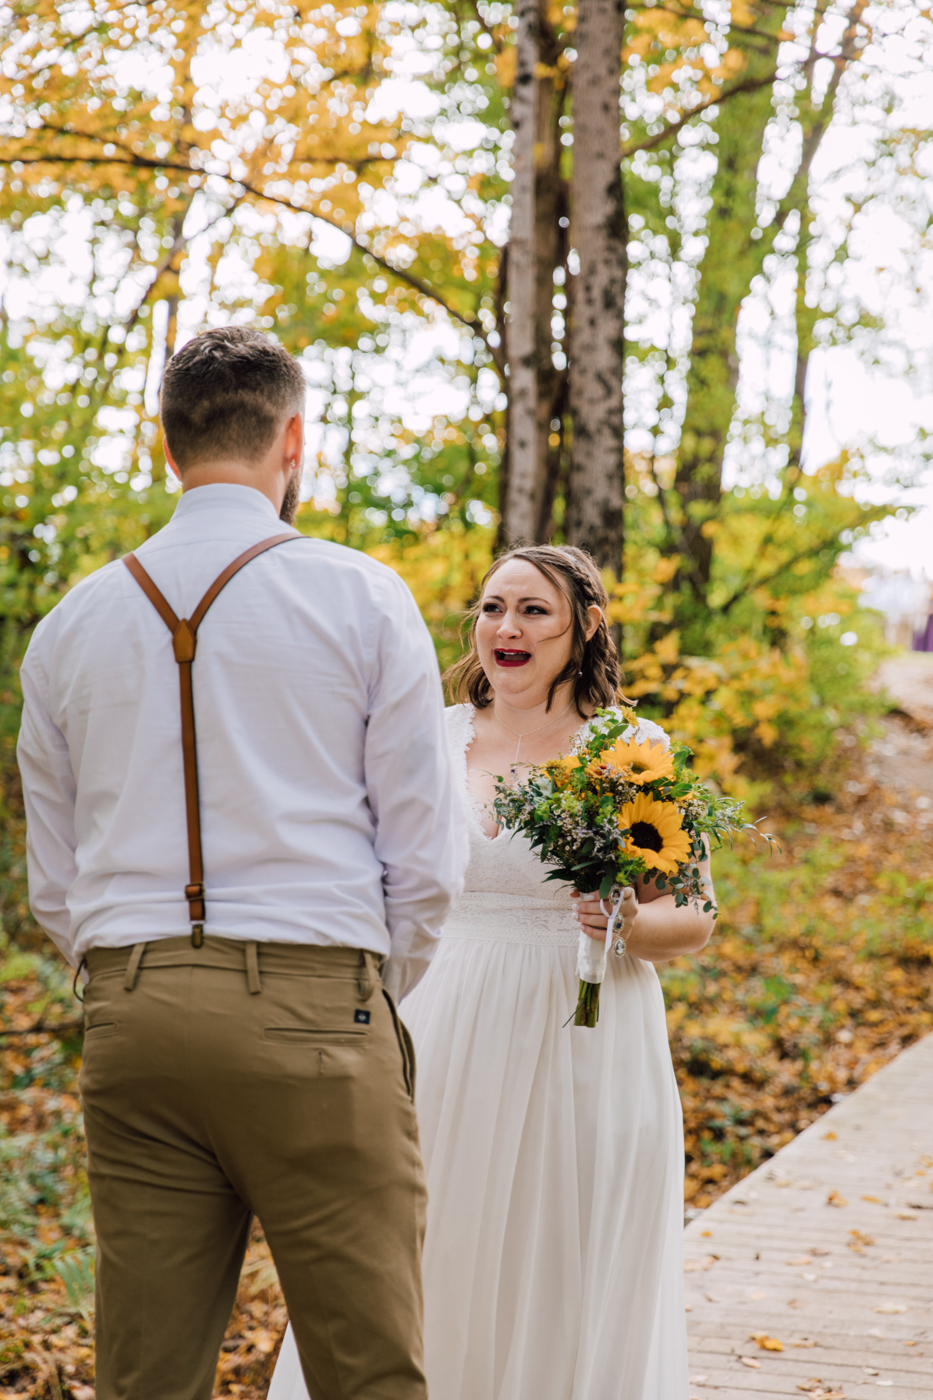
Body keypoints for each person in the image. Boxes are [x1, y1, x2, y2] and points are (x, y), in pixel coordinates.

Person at [17, 326, 468, 1400]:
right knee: (368, 1365)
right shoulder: (360, 594)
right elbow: (426, 851)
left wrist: (131, 968)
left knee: (144, 1370)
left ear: (165, 446)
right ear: (293, 439)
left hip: (132, 1012)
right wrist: (359, 980)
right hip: (317, 1004)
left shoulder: (69, 623)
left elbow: (53, 878)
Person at [271, 543, 713, 1400]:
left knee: (560, 1251)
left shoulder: (631, 747)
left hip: (585, 1034)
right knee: (424, 1244)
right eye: (491, 608)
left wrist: (628, 922)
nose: (505, 627)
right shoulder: (424, 738)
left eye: (532, 610)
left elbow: (692, 916)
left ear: (583, 626)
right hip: (437, 1024)